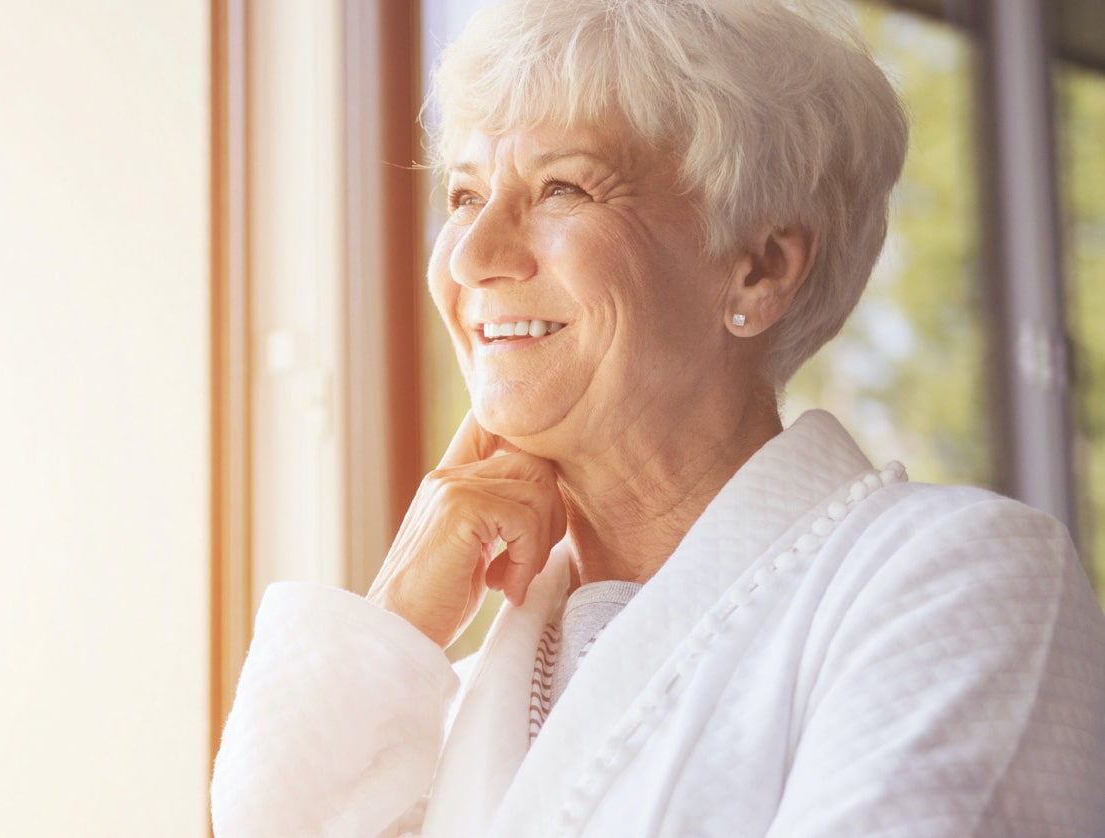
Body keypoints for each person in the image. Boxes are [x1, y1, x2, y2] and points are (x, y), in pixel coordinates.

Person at [209, 0, 1105, 835]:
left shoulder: (953, 582)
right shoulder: (451, 697)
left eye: (563, 188)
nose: (473, 255)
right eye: (464, 194)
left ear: (760, 264)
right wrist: (393, 620)